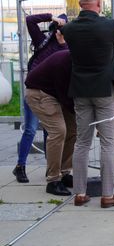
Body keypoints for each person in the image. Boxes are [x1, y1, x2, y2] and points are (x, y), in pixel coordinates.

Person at [61, 0, 114, 208]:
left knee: (82, 142)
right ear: (99, 3)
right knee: (108, 143)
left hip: (81, 91)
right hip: (105, 91)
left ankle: (80, 194)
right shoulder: (108, 25)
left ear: (80, 4)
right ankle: (108, 195)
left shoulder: (69, 29)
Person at [13, 13, 68, 183]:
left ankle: (50, 169)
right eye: (59, 27)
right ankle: (20, 166)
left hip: (51, 96)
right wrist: (51, 17)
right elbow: (30, 20)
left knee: (50, 132)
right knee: (30, 129)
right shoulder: (42, 41)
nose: (60, 31)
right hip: (35, 92)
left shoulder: (65, 47)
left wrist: (63, 43)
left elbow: (66, 64)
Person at [24, 47, 76, 196]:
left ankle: (64, 173)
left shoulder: (83, 60)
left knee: (73, 130)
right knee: (58, 131)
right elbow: (64, 95)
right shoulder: (64, 62)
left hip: (57, 94)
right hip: (39, 93)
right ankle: (53, 181)